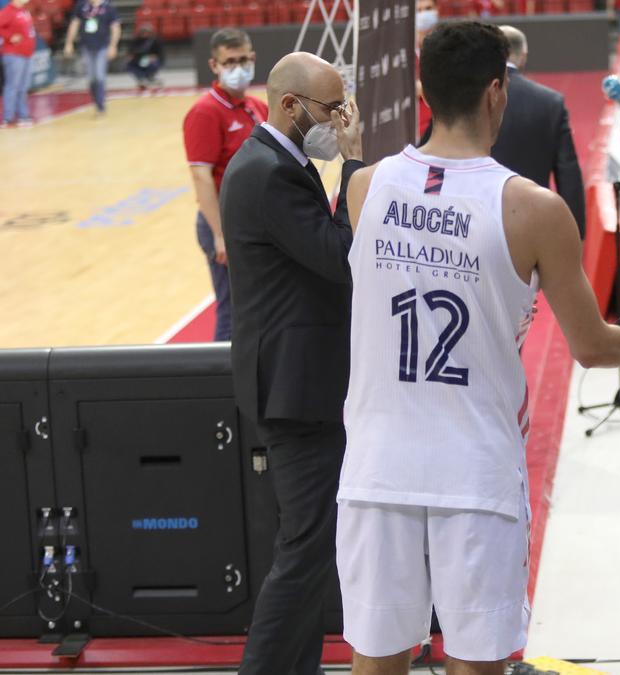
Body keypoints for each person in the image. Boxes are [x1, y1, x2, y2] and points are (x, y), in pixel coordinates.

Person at [337, 22, 620, 675]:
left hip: (377, 465)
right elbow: (590, 346)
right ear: (498, 92)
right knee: (477, 662)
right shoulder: (532, 208)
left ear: (424, 91)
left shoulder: (365, 187)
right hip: (472, 466)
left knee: (377, 657)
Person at [219, 51, 364, 675]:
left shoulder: (279, 160)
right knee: (306, 548)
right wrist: (353, 167)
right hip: (294, 390)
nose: (339, 120)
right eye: (332, 110)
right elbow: (337, 254)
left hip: (300, 383)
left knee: (313, 546)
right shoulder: (269, 172)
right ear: (290, 106)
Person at [182, 28, 266, 342]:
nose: (239, 67)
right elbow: (201, 176)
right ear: (214, 66)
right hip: (226, 226)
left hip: (254, 224)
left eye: (244, 59)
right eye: (230, 62)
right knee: (233, 313)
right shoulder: (205, 112)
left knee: (256, 309)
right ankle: (222, 386)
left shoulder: (257, 107)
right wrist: (220, 235)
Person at [492, 26, 586, 237]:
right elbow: (568, 173)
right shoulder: (551, 102)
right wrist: (576, 233)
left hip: (476, 222)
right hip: (532, 224)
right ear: (523, 56)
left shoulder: (470, 97)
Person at [63, 0, 120, 117]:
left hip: (102, 46)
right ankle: (96, 102)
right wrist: (69, 43)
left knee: (99, 75)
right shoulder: (82, 6)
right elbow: (74, 24)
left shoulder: (108, 8)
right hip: (86, 46)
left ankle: (100, 106)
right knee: (90, 78)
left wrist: (113, 46)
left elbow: (115, 28)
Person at [0, 0, 35, 128]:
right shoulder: (8, 11)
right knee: (12, 85)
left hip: (26, 54)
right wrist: (9, 36)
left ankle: (23, 115)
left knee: (23, 86)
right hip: (14, 54)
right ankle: (7, 118)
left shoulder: (24, 10)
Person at [415, 0, 437, 139]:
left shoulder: (449, 45)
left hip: (443, 126)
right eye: (419, 10)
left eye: (428, 8)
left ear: (437, 9)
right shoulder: (403, 51)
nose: (424, 14)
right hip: (416, 130)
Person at [126, 24, 164, 91]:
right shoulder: (135, 41)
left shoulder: (155, 41)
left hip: (149, 60)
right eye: (143, 32)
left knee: (145, 63)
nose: (145, 34)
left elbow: (160, 54)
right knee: (129, 65)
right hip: (137, 59)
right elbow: (130, 52)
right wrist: (130, 56)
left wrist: (153, 57)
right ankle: (142, 79)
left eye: (147, 32)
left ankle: (149, 78)